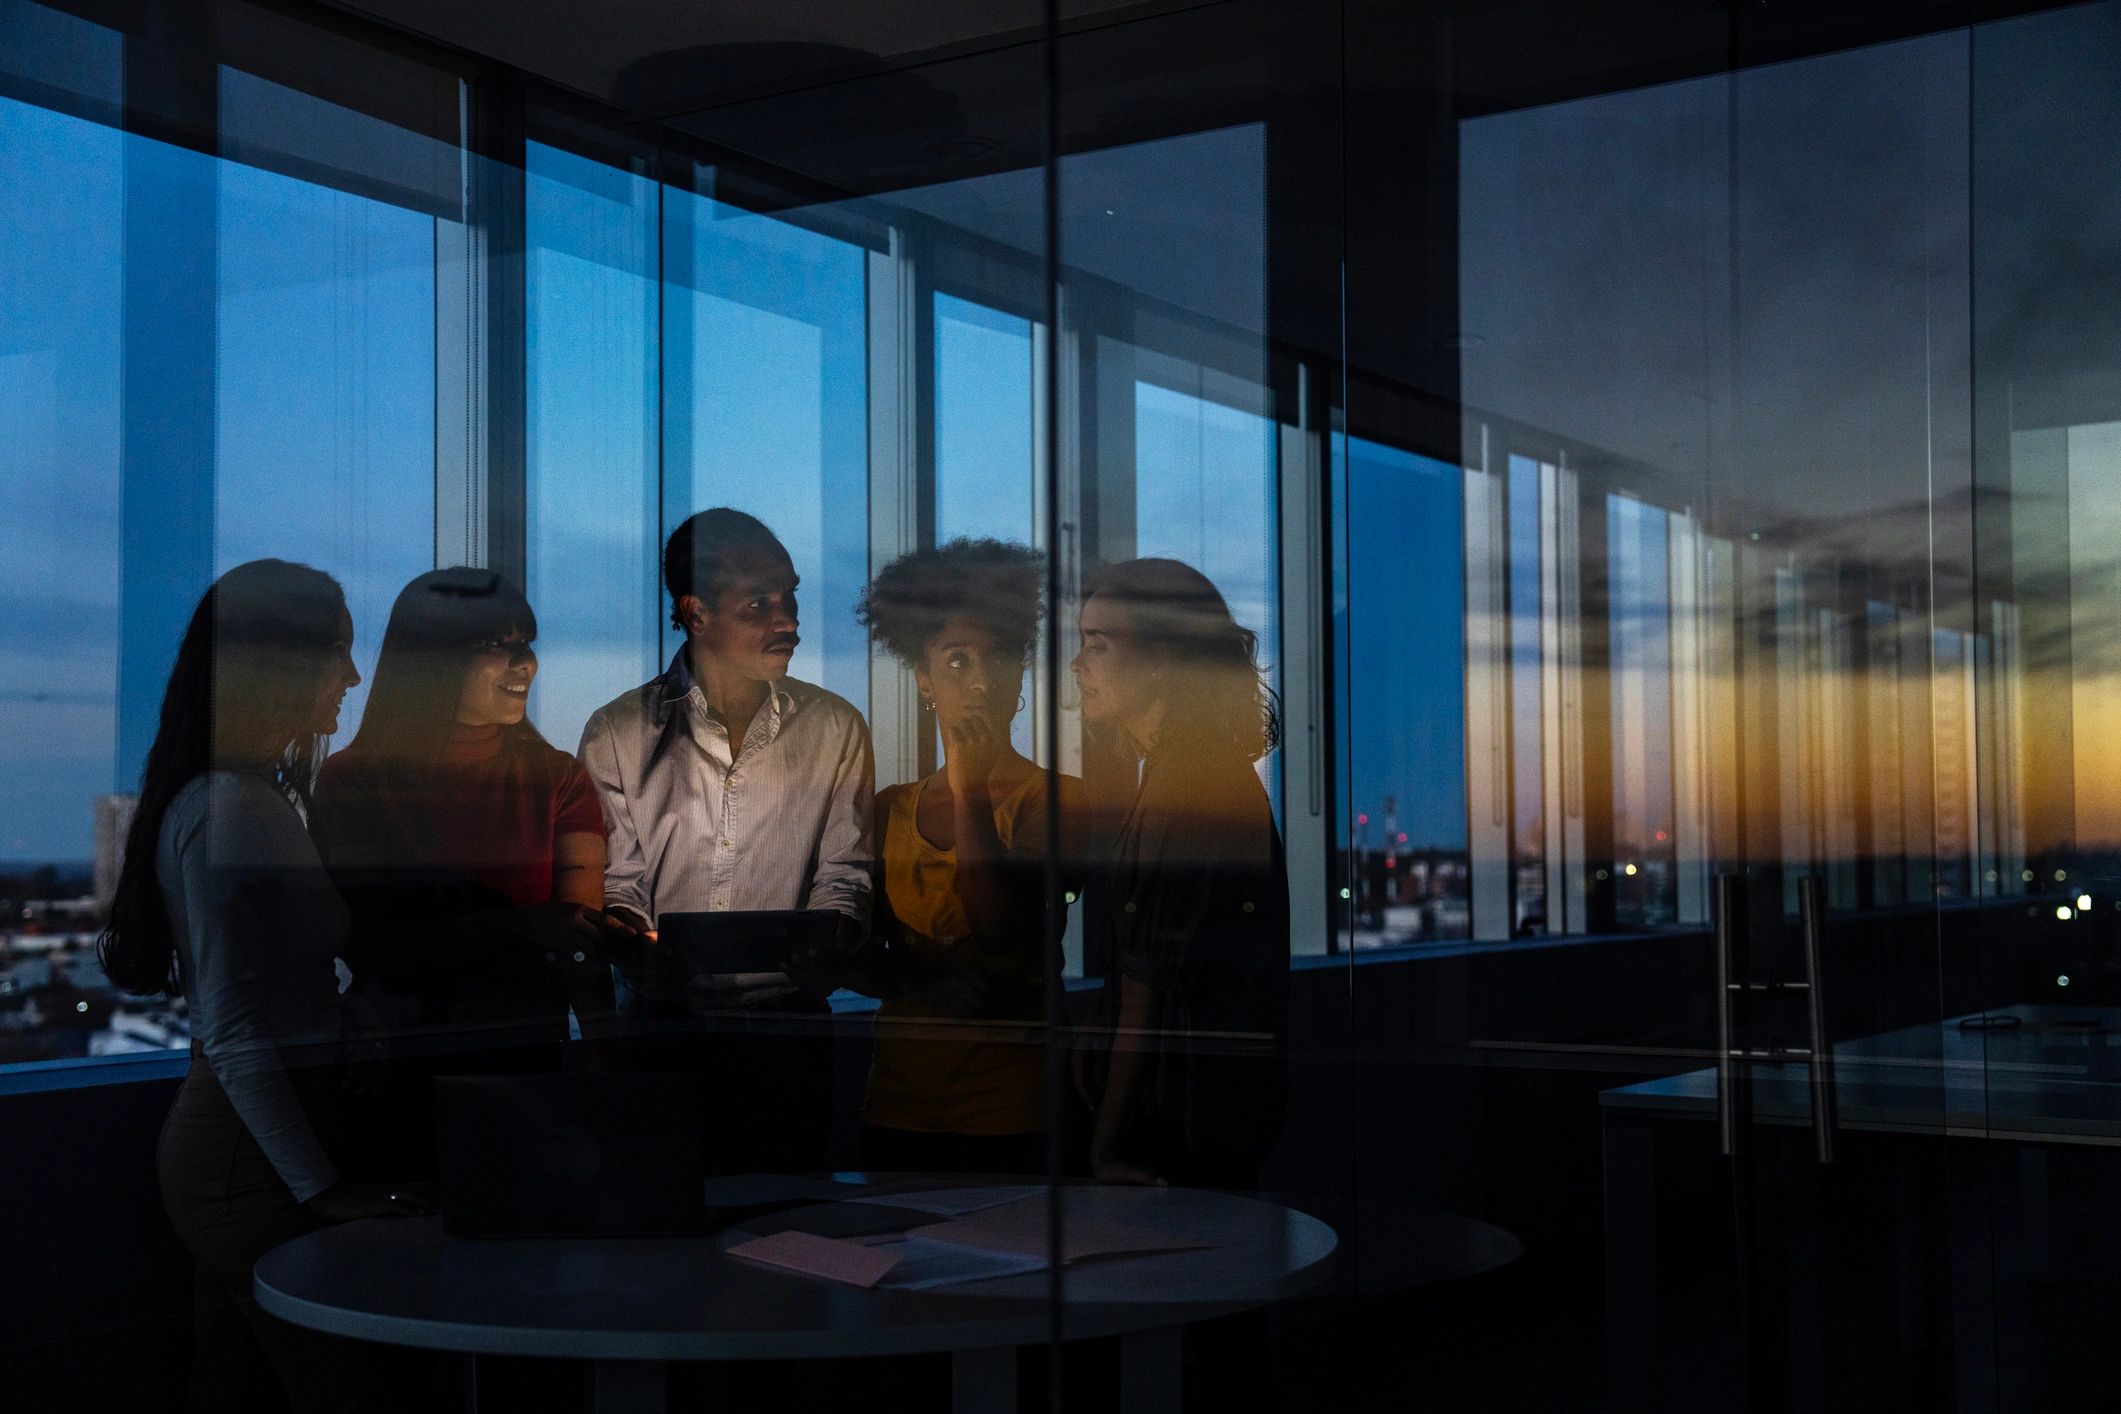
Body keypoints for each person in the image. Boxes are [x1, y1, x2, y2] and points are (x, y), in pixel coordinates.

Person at [98, 560, 427, 1414]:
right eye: (334, 652)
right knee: (343, 1389)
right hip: (249, 1164)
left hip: (253, 1152)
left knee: (237, 1387)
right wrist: (322, 1190)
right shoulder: (230, 810)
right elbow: (237, 1030)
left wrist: (342, 1016)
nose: (351, 675)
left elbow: (261, 998)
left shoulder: (242, 799)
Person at [578, 507, 873, 1173]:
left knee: (790, 1212)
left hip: (789, 1033)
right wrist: (634, 944)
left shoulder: (835, 728)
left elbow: (845, 874)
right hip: (661, 1034)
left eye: (791, 597)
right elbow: (617, 884)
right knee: (662, 1212)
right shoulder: (618, 732)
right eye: (759, 604)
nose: (788, 621)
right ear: (696, 613)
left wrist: (833, 937)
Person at [312, 569, 636, 1174]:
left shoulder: (558, 779)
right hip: (396, 1074)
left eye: (526, 644)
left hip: (523, 1068)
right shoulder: (351, 782)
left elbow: (580, 943)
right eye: (496, 646)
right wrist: (523, 928)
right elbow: (373, 944)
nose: (524, 664)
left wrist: (603, 1080)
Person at [851, 539, 1083, 1175]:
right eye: (957, 660)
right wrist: (920, 977)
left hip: (1014, 1107)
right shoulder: (888, 809)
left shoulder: (1058, 801)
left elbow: (1000, 928)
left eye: (1000, 656)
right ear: (923, 678)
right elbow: (855, 951)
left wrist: (969, 790)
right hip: (896, 1105)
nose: (981, 678)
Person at [1071, 558, 1290, 1190]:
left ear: (1162, 658)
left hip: (1180, 1125)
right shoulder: (1185, 770)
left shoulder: (1189, 780)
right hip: (1196, 1113)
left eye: (1098, 644)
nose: (1078, 665)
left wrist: (1105, 1145)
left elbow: (1151, 983)